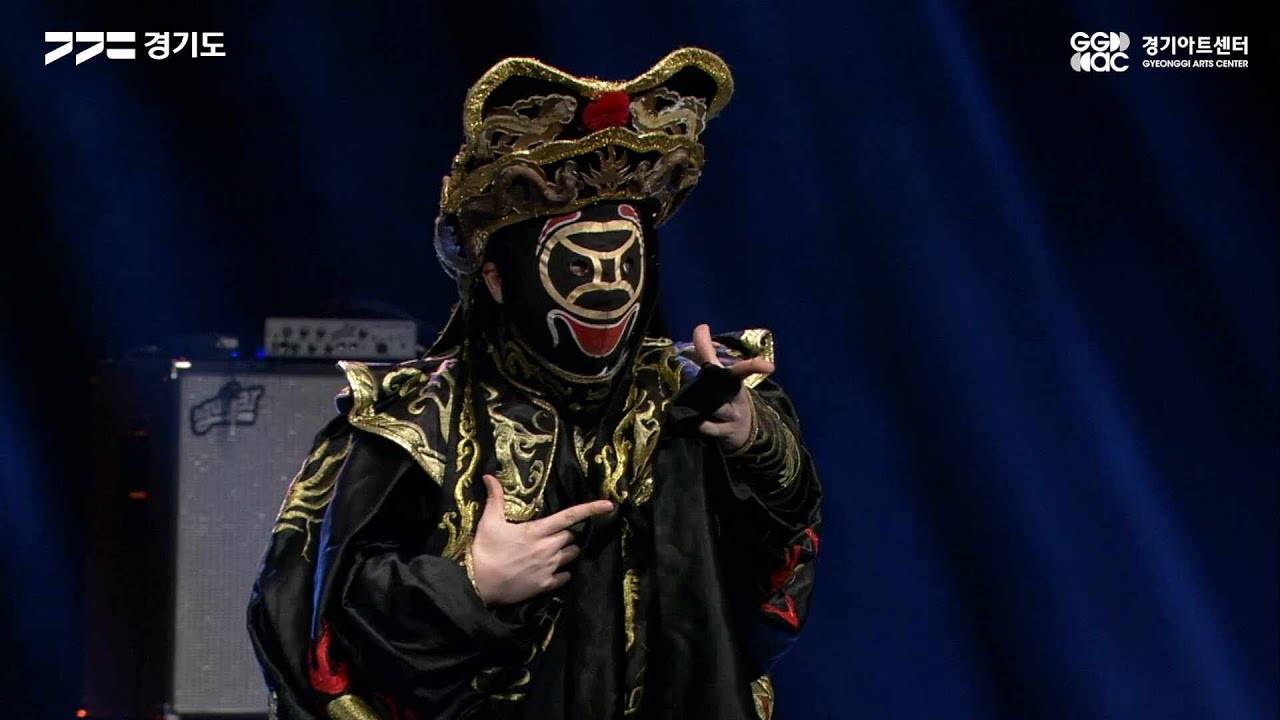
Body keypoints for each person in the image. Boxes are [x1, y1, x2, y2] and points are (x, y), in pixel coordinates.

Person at [248, 47, 823, 720]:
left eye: (625, 263)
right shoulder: (416, 418)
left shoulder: (694, 393)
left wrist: (755, 440)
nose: (609, 289)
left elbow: (778, 556)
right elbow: (307, 613)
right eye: (579, 265)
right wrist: (469, 586)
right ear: (498, 279)